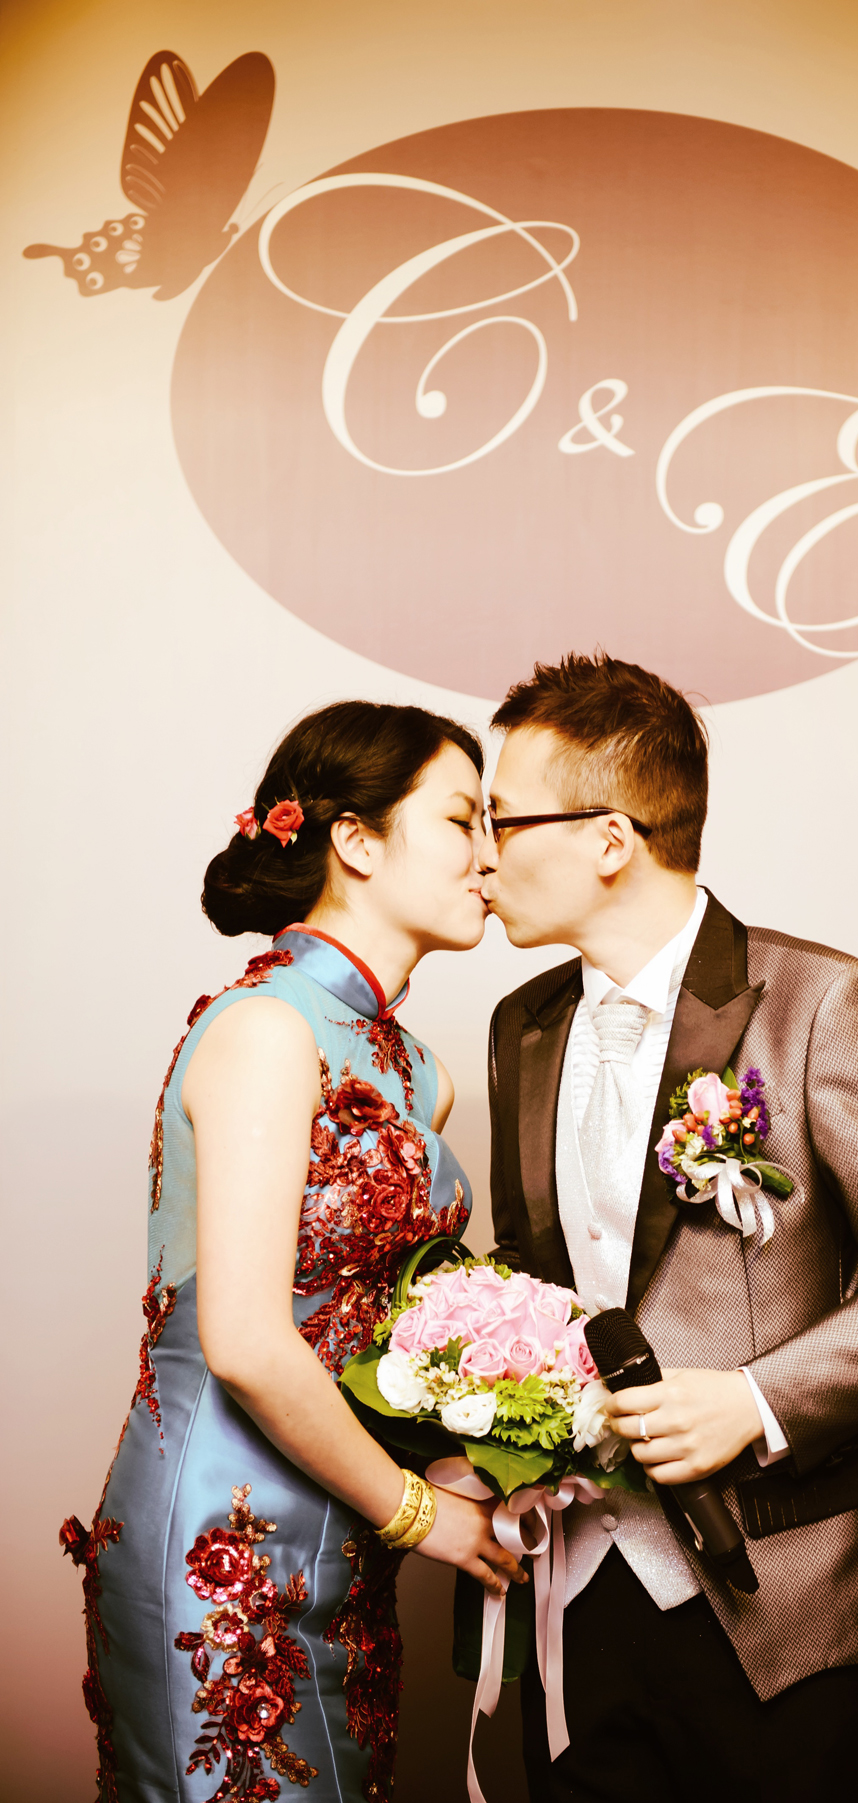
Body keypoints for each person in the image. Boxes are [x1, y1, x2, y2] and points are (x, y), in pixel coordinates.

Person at [479, 654, 858, 1803]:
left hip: (783, 1587)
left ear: (609, 839)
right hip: (574, 1584)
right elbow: (544, 1276)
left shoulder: (822, 1004)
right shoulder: (524, 1024)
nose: (483, 853)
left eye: (503, 819)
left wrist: (754, 1401)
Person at [61, 700, 526, 1803]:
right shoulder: (267, 1028)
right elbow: (247, 1342)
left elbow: (393, 1318)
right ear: (356, 841)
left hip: (349, 1531)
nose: (491, 857)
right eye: (462, 820)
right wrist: (422, 1513)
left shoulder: (419, 1072)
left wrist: (482, 1448)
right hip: (221, 1537)